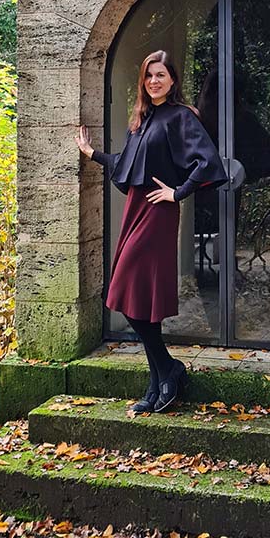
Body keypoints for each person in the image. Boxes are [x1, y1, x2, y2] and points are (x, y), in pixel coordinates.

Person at [75, 50, 228, 414]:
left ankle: (166, 372)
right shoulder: (142, 120)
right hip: (136, 210)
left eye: (161, 75)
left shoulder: (181, 116)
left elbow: (208, 162)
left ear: (172, 80)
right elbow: (126, 165)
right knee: (133, 299)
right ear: (143, 82)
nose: (155, 81)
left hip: (158, 213)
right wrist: (91, 152)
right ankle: (163, 374)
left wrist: (177, 192)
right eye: (149, 76)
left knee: (130, 288)